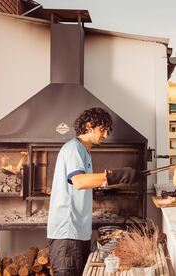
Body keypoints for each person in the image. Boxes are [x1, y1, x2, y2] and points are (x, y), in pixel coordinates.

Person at [47, 107, 136, 276]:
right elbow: (79, 182)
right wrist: (116, 176)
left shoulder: (85, 152)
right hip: (68, 234)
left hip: (78, 232)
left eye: (107, 131)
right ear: (89, 126)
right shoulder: (73, 148)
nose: (106, 135)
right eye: (102, 130)